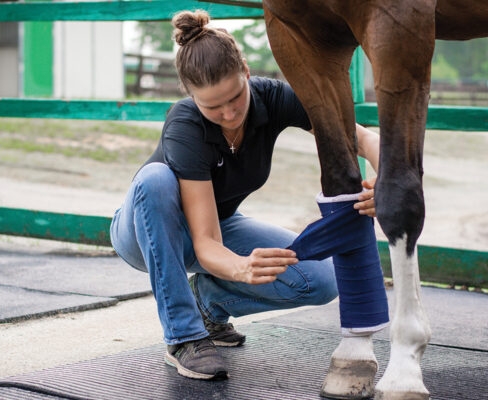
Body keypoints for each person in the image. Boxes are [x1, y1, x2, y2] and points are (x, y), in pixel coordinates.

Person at [110, 9, 381, 381]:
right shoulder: (184, 125)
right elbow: (205, 243)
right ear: (191, 97)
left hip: (217, 226)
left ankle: (208, 302)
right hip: (145, 232)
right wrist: (240, 266)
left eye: (235, 97)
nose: (228, 112)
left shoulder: (274, 99)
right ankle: (185, 337)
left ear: (247, 72)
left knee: (320, 279)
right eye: (212, 106)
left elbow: (362, 137)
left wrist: (389, 180)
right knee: (155, 179)